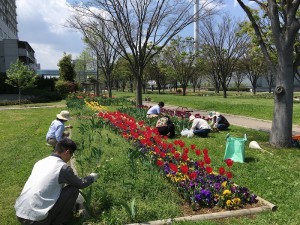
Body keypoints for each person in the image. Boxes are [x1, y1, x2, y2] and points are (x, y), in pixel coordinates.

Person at [15, 138, 98, 225]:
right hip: (38, 220)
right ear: (67, 152)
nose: (70, 158)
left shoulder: (40, 162)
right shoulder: (62, 167)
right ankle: (60, 222)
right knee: (73, 190)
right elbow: (80, 184)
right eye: (71, 154)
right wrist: (92, 176)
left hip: (20, 213)